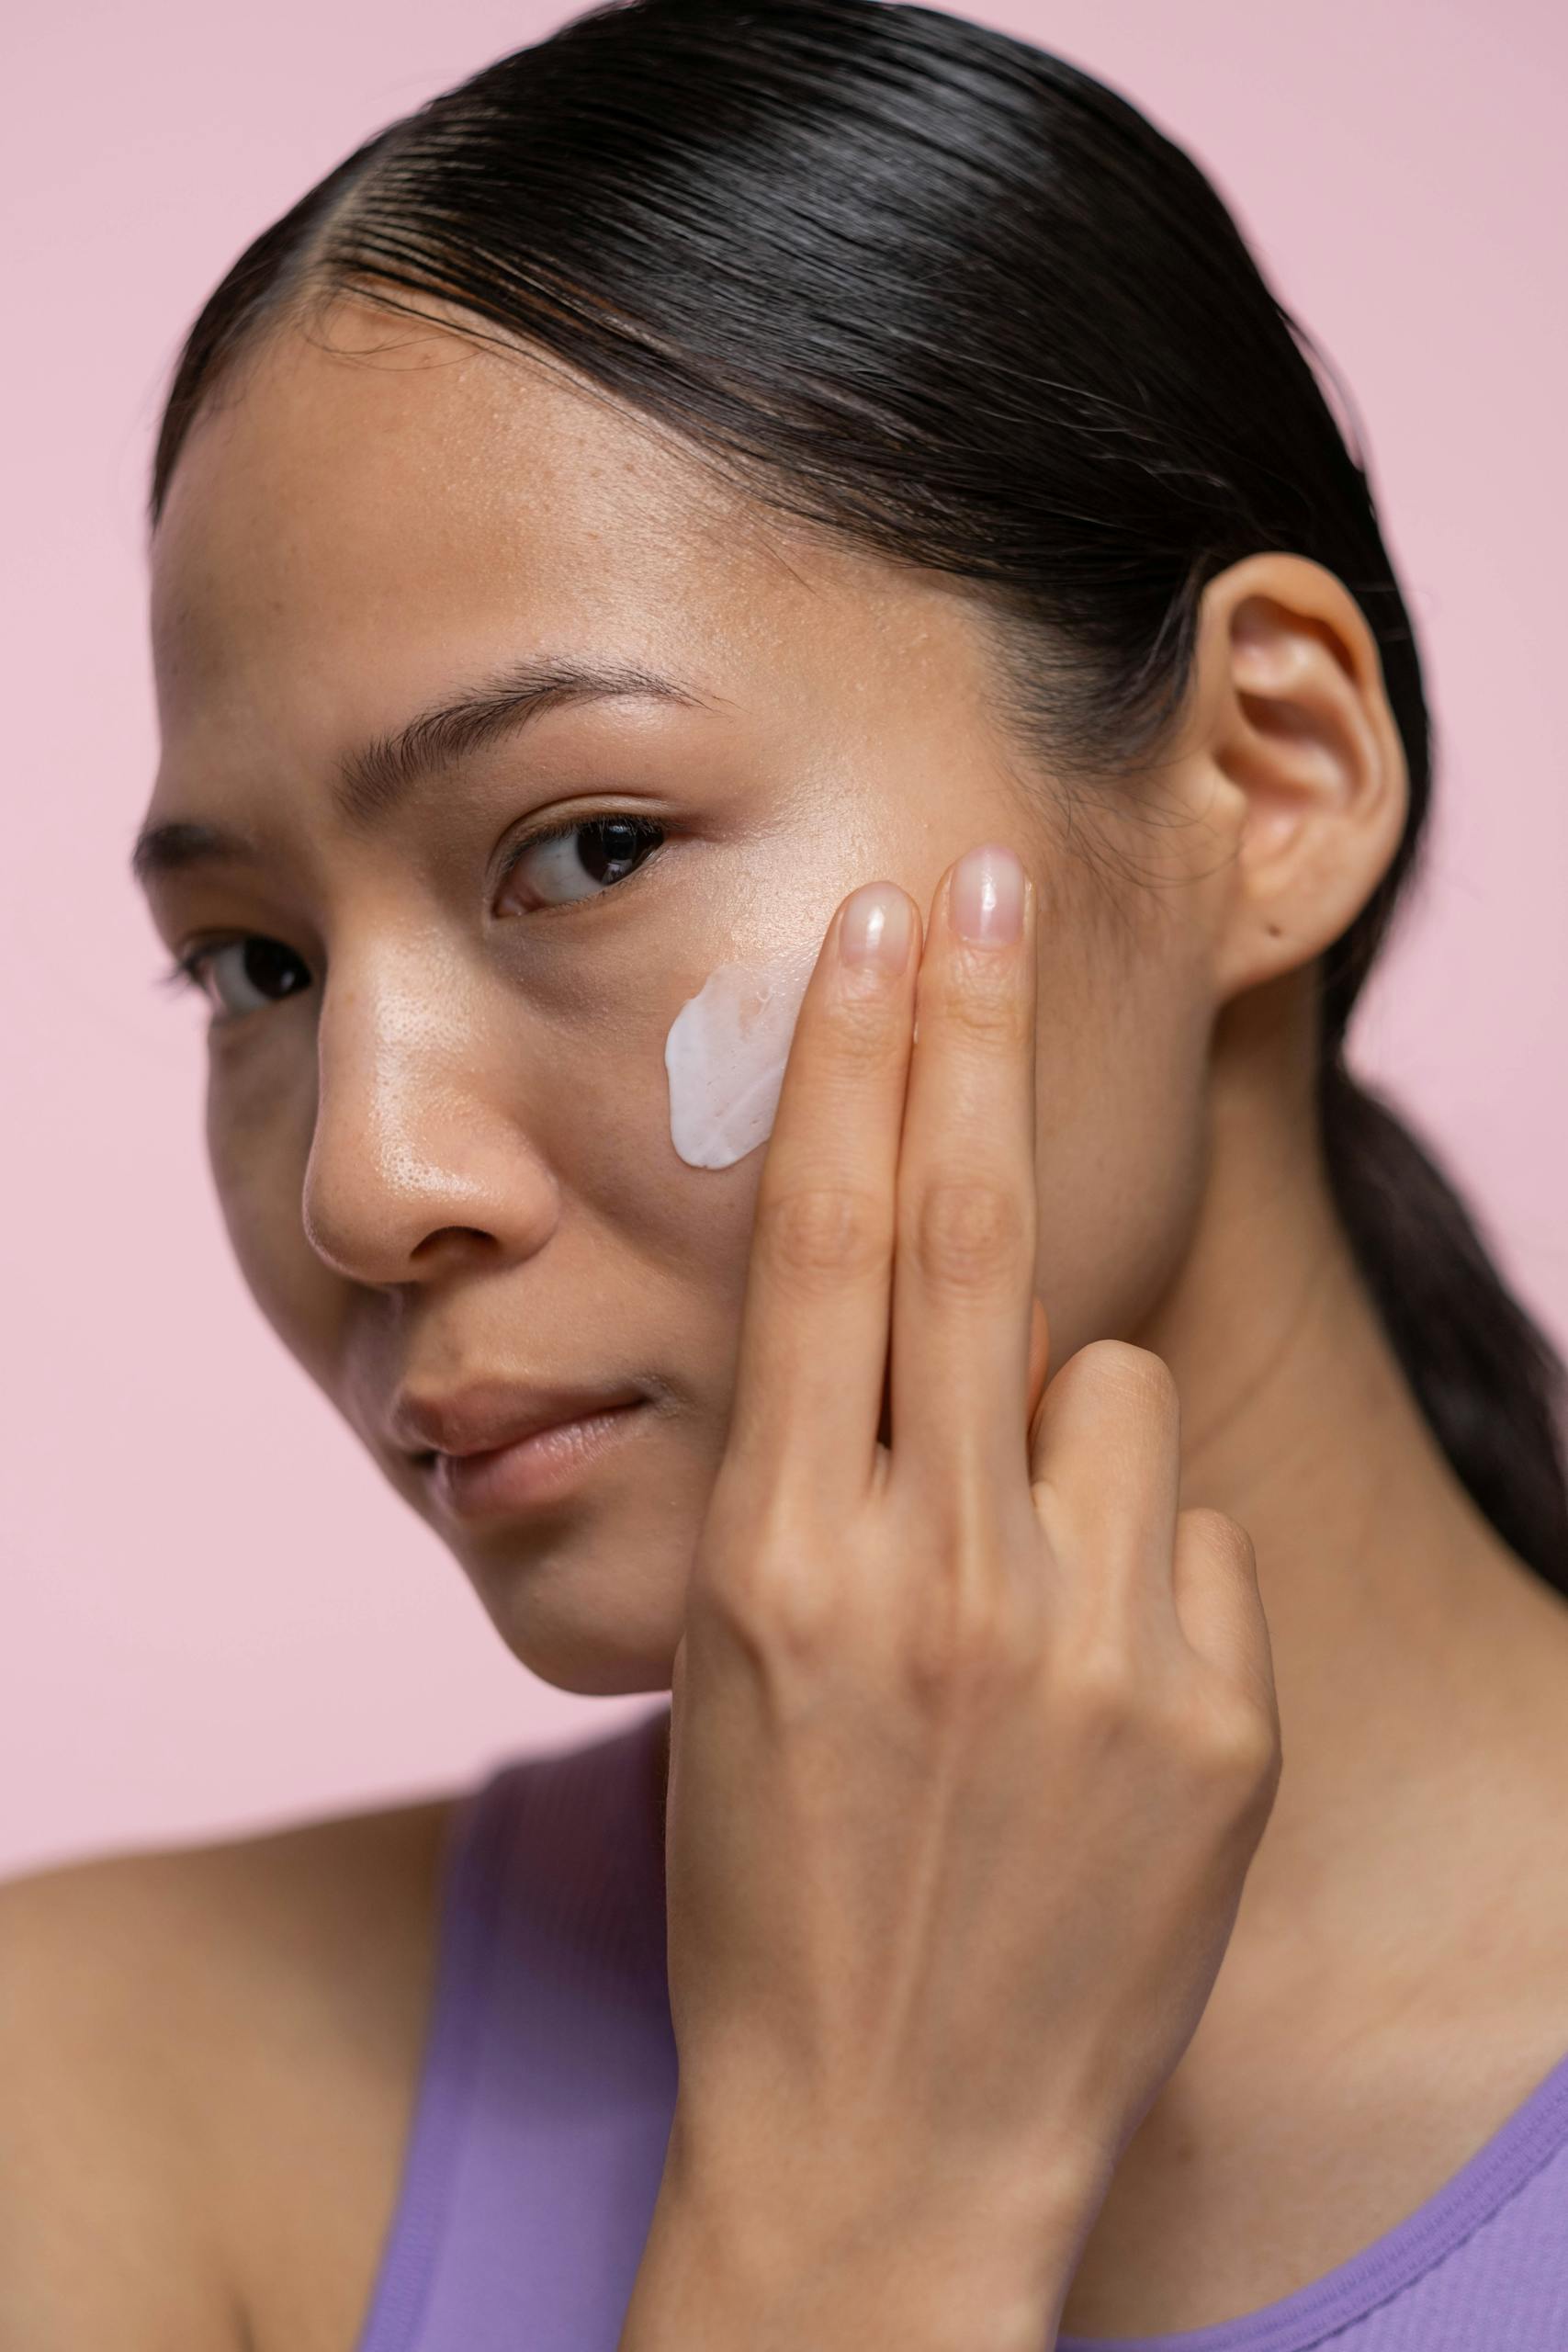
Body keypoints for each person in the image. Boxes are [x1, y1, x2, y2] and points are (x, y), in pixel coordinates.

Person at [5, 0, 1567, 2345]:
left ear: (1266, 772)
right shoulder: (89, 2100)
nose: (366, 1179)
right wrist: (862, 2211)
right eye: (253, 965)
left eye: (586, 844)